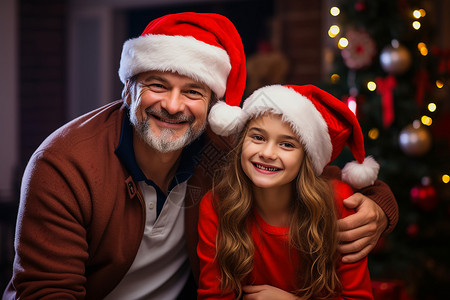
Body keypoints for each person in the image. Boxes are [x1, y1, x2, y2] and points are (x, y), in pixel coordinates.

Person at [2, 12, 396, 300]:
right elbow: (47, 292)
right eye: (157, 84)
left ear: (213, 106)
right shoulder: (65, 163)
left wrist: (380, 207)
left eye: (192, 91)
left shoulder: (223, 151)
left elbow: (310, 170)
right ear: (128, 89)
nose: (173, 106)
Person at [198, 84, 380, 299]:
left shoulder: (339, 202)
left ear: (307, 158)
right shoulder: (217, 204)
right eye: (257, 137)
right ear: (241, 143)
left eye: (286, 144)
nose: (267, 153)